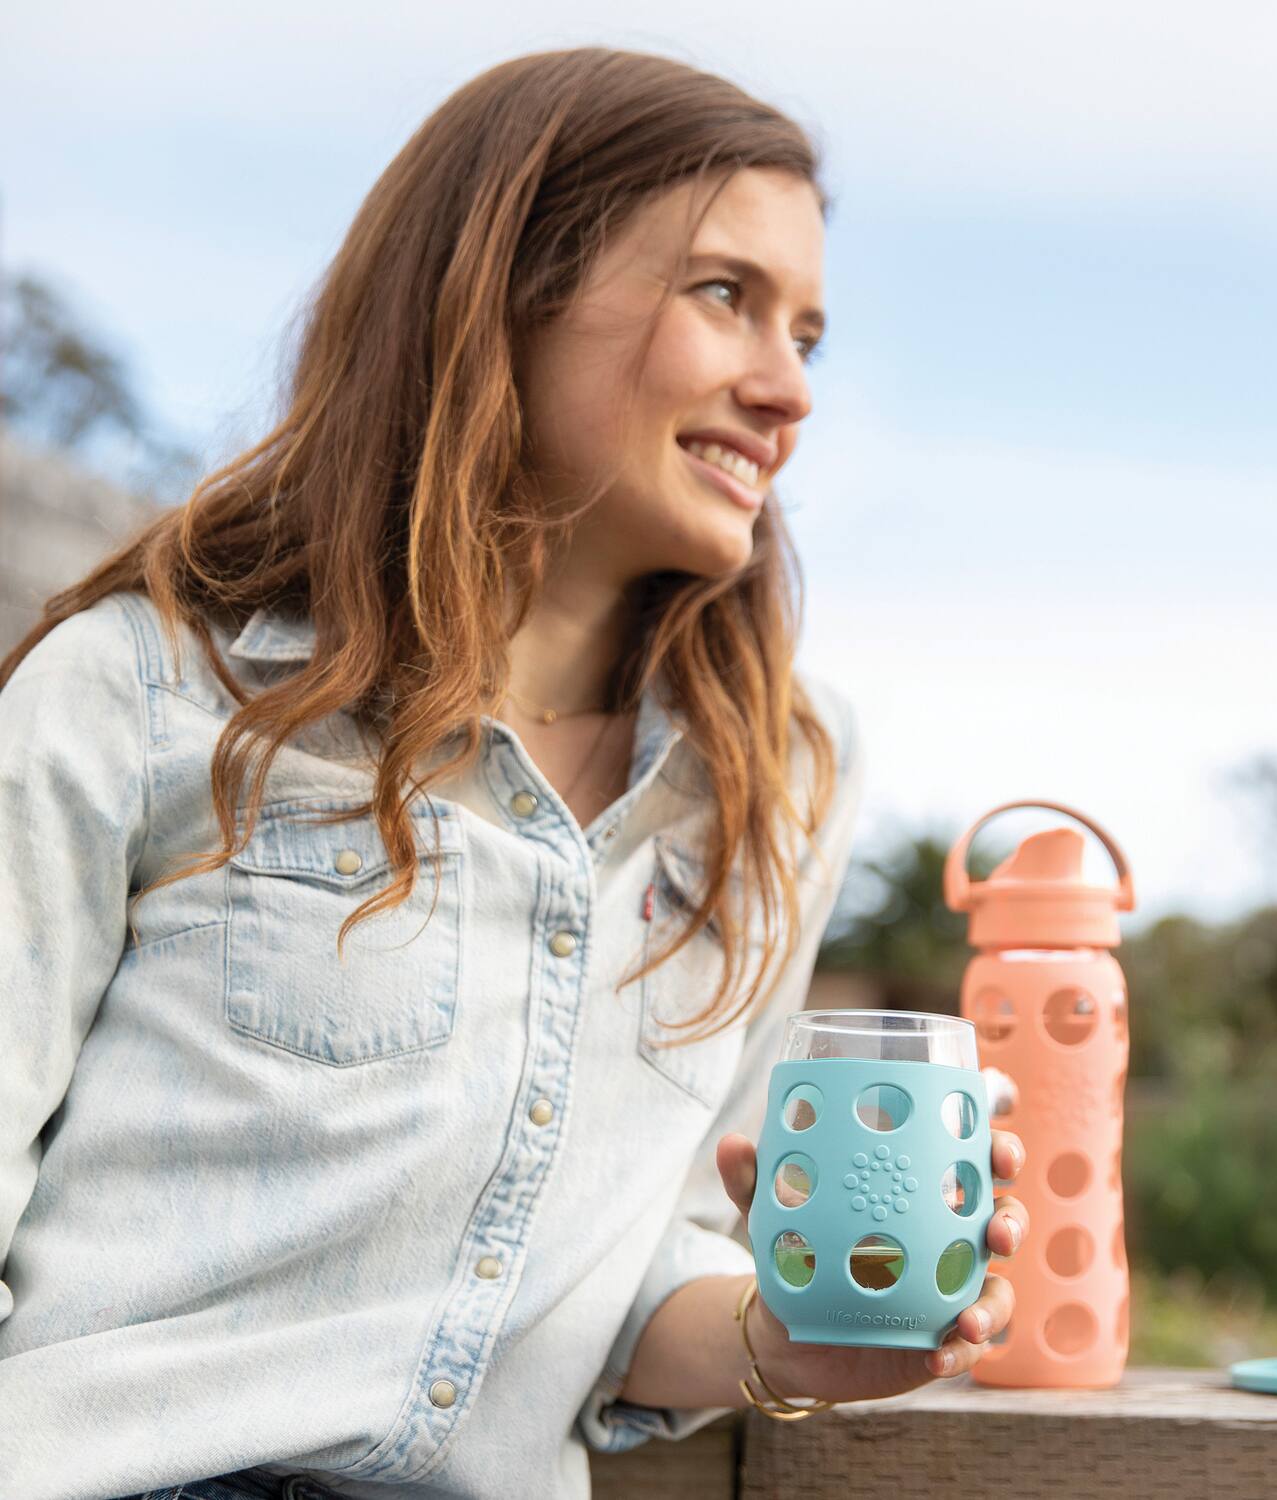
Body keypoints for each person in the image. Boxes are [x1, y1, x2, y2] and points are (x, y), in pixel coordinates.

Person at [0, 45, 1027, 1500]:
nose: (787, 389)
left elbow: (628, 1287)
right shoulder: (146, 688)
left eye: (807, 334)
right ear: (505, 293)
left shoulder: (779, 776)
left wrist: (790, 1340)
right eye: (723, 295)